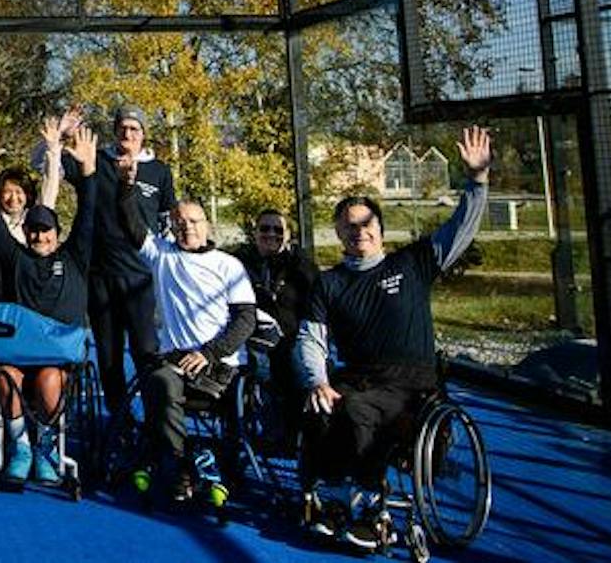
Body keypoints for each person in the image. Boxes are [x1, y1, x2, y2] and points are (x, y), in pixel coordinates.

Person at [298, 126, 493, 550]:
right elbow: (311, 339)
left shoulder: (414, 262)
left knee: (356, 408)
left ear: (380, 229)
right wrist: (317, 380)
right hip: (357, 376)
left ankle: (371, 508)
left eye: (366, 223)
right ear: (338, 232)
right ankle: (330, 498)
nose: (359, 231)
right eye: (349, 226)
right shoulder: (328, 284)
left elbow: (462, 227)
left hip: (413, 384)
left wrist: (476, 182)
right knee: (320, 406)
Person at [0, 124, 98, 484]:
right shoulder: (15, 257)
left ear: (56, 233)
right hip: (19, 352)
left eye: (46, 230)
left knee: (50, 380)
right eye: (34, 230)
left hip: (54, 354)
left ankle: (48, 447)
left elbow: (88, 212)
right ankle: (21, 445)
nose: (40, 235)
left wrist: (87, 170)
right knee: (5, 376)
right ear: (26, 233)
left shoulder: (74, 257)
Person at [111, 177, 256, 506]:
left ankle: (223, 465)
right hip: (174, 363)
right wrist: (126, 185)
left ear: (206, 224)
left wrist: (209, 354)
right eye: (179, 222)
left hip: (220, 368)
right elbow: (130, 220)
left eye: (193, 221)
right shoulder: (161, 255)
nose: (187, 227)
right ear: (171, 227)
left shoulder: (229, 265)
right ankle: (177, 467)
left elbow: (245, 319)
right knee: (159, 381)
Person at [85, 107, 178, 417]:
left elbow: (167, 220)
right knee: (109, 358)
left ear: (143, 134)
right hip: (100, 276)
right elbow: (45, 164)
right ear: (115, 131)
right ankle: (120, 424)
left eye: (134, 129)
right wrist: (58, 136)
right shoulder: (97, 161)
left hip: (140, 279)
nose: (128, 134)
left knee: (146, 354)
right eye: (123, 128)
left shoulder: (159, 171)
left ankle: (156, 422)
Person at [231, 206, 315, 444]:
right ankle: (267, 430)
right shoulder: (239, 263)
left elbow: (317, 305)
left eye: (278, 230)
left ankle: (296, 433)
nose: (271, 234)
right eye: (265, 229)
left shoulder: (301, 265)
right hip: (252, 338)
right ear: (254, 232)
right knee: (259, 363)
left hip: (292, 337)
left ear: (288, 234)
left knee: (301, 368)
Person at [0, 115, 70, 303]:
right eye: (7, 192)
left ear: (27, 194)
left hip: (25, 291)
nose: (13, 198)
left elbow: (50, 185)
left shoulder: (34, 220)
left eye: (18, 192)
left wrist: (53, 150)